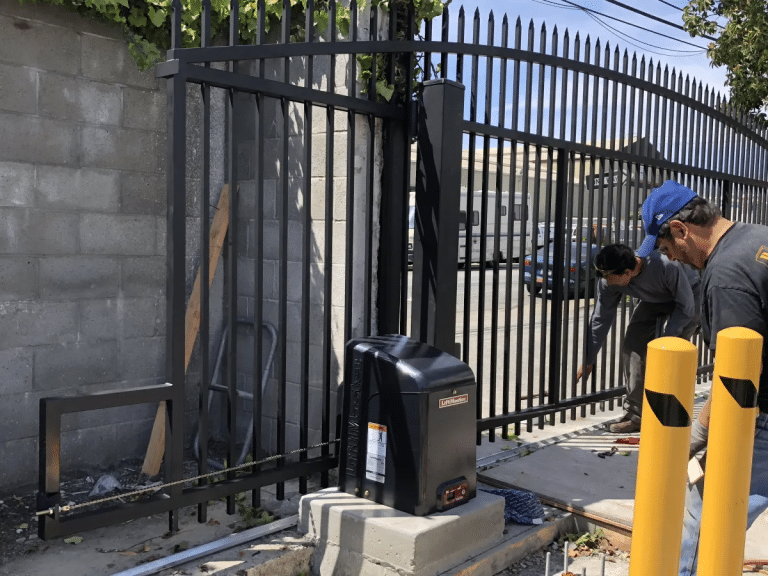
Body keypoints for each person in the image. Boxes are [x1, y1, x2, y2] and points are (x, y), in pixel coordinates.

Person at [638, 179, 768, 576]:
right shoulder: (757, 236)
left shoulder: (727, 273)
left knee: (707, 510)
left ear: (681, 230)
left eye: (667, 249)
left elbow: (741, 374)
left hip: (763, 415)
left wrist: (699, 430)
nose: (672, 260)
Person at [577, 243, 701, 434]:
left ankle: (671, 413)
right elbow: (600, 319)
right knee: (632, 347)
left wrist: (665, 343)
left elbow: (686, 309)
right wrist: (588, 359)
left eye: (611, 277)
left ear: (629, 271)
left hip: (688, 299)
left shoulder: (665, 265)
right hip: (653, 301)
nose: (607, 282)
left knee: (674, 356)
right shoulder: (609, 280)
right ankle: (635, 416)